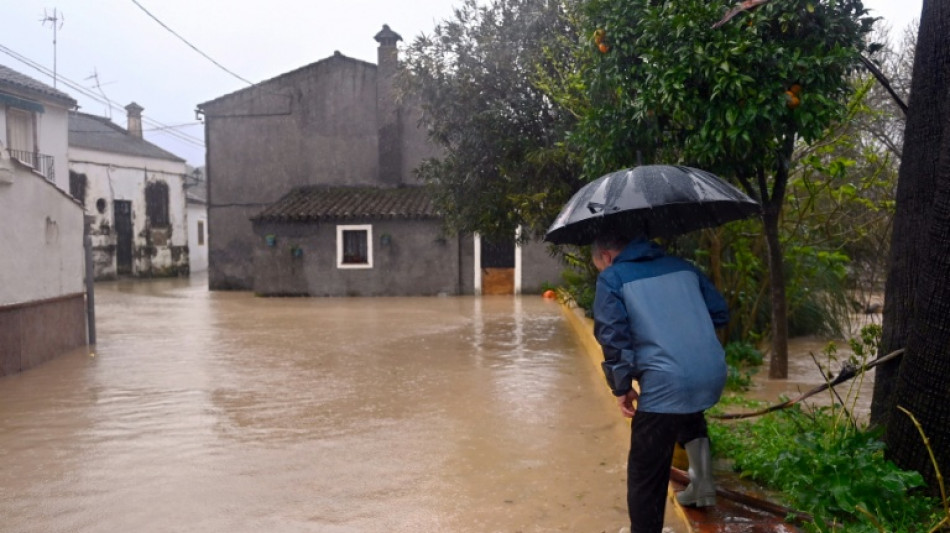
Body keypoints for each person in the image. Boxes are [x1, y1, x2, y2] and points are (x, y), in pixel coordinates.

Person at [590, 233, 729, 533]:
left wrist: (622, 387)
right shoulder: (684, 267)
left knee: (645, 467)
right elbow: (719, 312)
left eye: (599, 265)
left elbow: (613, 337)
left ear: (606, 256)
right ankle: (702, 485)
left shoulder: (612, 278)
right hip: (712, 372)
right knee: (689, 413)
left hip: (667, 381)